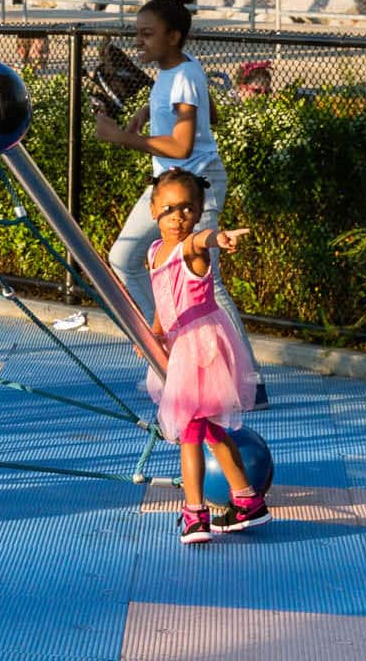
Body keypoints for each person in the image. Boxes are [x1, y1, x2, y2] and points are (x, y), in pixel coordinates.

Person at [94, 0, 266, 407]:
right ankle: (172, 353)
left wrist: (122, 137)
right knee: (123, 258)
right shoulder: (179, 71)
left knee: (208, 280)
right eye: (138, 33)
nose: (139, 42)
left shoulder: (185, 74)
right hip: (168, 184)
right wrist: (148, 112)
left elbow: (184, 145)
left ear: (173, 36)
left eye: (147, 34)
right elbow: (209, 116)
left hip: (195, 185)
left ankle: (248, 382)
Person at [144, 168, 269, 543]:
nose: (176, 216)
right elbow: (162, 296)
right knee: (213, 432)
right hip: (179, 344)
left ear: (198, 213)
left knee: (190, 433)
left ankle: (195, 513)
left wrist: (219, 237)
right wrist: (155, 333)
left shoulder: (190, 248)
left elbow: (202, 241)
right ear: (153, 211)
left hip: (201, 351)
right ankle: (248, 501)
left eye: (186, 208)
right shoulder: (154, 251)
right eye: (168, 208)